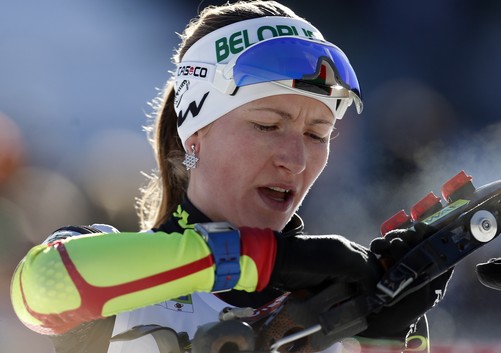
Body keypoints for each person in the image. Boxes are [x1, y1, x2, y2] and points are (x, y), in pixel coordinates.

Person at [10, 1, 450, 352]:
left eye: (318, 134)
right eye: (267, 126)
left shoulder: (345, 298)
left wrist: (388, 335)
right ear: (194, 133)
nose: (296, 159)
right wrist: (263, 260)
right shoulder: (115, 273)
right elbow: (41, 288)